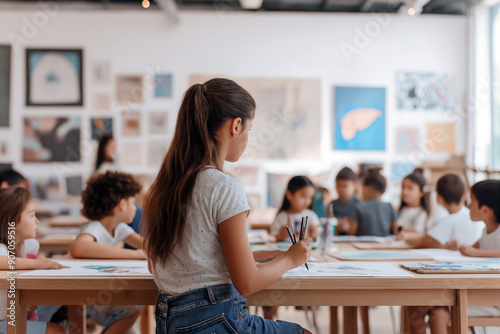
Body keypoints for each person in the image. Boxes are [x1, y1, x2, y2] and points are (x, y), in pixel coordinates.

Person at [142, 78, 312, 333]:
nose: (247, 136)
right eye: (249, 129)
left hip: (170, 321)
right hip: (216, 319)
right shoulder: (225, 186)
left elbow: (165, 263)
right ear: (236, 126)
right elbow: (247, 282)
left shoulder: (163, 186)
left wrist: (249, 257)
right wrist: (290, 259)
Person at [70, 171, 145, 334]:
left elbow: (148, 246)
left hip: (99, 293)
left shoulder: (119, 229)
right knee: (134, 308)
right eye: (133, 202)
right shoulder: (94, 227)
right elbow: (78, 248)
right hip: (84, 299)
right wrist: (134, 255)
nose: (135, 208)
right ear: (122, 204)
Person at [0, 187, 66, 334]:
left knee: (54, 300)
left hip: (12, 314)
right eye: (31, 215)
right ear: (12, 221)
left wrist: (40, 259)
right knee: (56, 331)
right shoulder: (2, 248)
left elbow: (36, 257)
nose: (36, 221)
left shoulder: (23, 245)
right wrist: (37, 263)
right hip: (3, 321)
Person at [398, 173, 484, 249]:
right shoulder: (477, 219)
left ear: (439, 198)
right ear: (464, 196)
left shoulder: (448, 220)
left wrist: (406, 236)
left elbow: (422, 242)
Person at [342, 168, 398, 236]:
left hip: (363, 245)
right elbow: (396, 231)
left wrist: (347, 226)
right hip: (385, 245)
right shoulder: (389, 206)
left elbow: (352, 233)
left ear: (366, 188)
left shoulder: (359, 207)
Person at [271, 175, 320, 242]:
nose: (307, 201)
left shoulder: (311, 216)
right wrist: (281, 235)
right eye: (303, 196)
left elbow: (315, 235)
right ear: (289, 194)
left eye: (310, 197)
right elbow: (274, 237)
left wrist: (309, 236)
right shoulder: (281, 217)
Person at [398, 168, 433, 234]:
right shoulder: (401, 210)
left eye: (410, 188)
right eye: (403, 187)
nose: (404, 191)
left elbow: (417, 232)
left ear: (421, 193)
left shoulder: (421, 213)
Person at [329, 167, 360, 234]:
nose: (341, 189)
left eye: (345, 186)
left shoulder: (360, 205)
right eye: (338, 185)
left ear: (355, 185)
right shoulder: (332, 204)